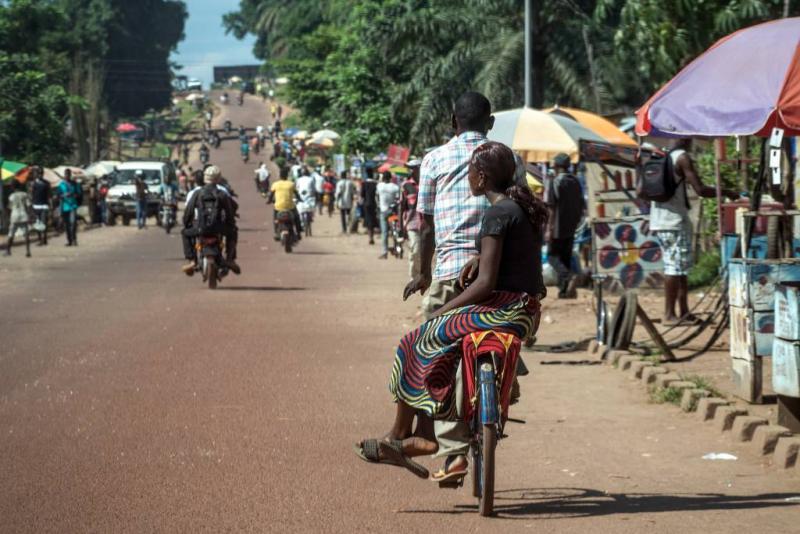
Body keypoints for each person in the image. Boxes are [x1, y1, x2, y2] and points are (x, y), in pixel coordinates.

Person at [354, 141, 546, 480]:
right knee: (444, 345)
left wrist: (444, 310)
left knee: (415, 340)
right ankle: (428, 434)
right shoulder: (518, 209)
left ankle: (403, 435)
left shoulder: (496, 213)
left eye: (471, 171)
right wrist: (478, 258)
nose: (468, 176)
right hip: (524, 311)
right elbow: (515, 261)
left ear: (482, 177)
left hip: (500, 308)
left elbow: (484, 285)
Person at [652, 138, 738, 325]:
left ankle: (683, 312)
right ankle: (669, 315)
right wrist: (728, 192)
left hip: (660, 220)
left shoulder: (664, 155)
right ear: (684, 139)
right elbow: (700, 190)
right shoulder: (682, 158)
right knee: (674, 269)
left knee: (680, 268)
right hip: (673, 221)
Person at [181, 166, 241, 275]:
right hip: (219, 228)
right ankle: (230, 259)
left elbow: (188, 212)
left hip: (200, 228)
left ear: (205, 178)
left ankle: (192, 260)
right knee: (233, 232)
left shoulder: (197, 193)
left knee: (185, 233)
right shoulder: (222, 194)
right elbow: (230, 211)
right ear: (218, 179)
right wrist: (230, 225)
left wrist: (187, 224)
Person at [544, 153, 585, 299]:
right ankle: (565, 291)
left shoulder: (555, 182)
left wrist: (549, 229)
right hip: (571, 226)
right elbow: (581, 204)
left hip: (557, 227)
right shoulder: (575, 181)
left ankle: (568, 277)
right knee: (565, 258)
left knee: (552, 257)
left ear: (556, 165)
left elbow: (551, 207)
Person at [400, 159, 424, 278]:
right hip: (412, 223)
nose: (411, 170)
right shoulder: (406, 185)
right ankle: (413, 277)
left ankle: (422, 275)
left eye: (413, 168)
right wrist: (401, 227)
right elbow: (401, 207)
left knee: (423, 252)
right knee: (415, 249)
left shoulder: (426, 184)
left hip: (426, 224)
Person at [269, 167, 303, 240]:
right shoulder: (291, 184)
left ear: (280, 176)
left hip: (278, 207)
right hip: (290, 207)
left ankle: (276, 233)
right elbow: (297, 194)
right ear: (287, 176)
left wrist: (269, 201)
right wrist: (300, 199)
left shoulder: (275, 184)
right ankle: (299, 232)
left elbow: (271, 195)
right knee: (297, 218)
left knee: (275, 219)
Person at [377, 171, 400, 259]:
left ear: (383, 178)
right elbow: (397, 199)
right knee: (395, 231)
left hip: (383, 212)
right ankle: (396, 249)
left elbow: (377, 195)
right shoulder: (395, 187)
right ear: (390, 177)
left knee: (384, 232)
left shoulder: (380, 186)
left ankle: (384, 252)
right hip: (393, 212)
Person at [5, 180, 32, 257]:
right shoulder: (24, 194)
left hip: (14, 216)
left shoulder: (11, 196)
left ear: (13, 187)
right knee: (26, 234)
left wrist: (7, 217)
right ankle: (28, 251)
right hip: (24, 215)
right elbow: (29, 205)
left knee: (11, 234)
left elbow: (9, 208)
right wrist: (30, 215)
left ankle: (8, 251)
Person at [58, 169, 82, 246]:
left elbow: (79, 194)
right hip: (64, 207)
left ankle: (74, 239)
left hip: (73, 205)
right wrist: (64, 195)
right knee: (67, 224)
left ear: (70, 175)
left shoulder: (74, 184)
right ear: (64, 175)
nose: (67, 176)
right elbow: (58, 196)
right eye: (66, 174)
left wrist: (73, 194)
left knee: (73, 222)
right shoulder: (61, 185)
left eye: (68, 174)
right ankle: (69, 240)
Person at [30, 167, 51, 246]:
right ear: (36, 174)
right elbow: (31, 195)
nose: (40, 175)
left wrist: (50, 205)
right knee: (38, 224)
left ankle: (44, 238)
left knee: (44, 223)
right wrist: (31, 206)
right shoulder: (33, 184)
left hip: (44, 205)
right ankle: (40, 239)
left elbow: (49, 195)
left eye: (41, 173)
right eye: (39, 173)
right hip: (36, 206)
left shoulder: (46, 183)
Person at [361, 167, 379, 245]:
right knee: (373, 220)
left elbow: (362, 195)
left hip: (366, 205)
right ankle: (372, 237)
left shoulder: (364, 184)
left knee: (368, 221)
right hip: (374, 205)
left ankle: (370, 237)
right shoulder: (375, 184)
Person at [296, 168, 317, 234]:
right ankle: (311, 216)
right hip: (309, 198)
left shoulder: (298, 180)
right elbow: (314, 189)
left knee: (300, 211)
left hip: (301, 198)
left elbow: (297, 188)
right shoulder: (311, 179)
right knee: (312, 208)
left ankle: (302, 223)